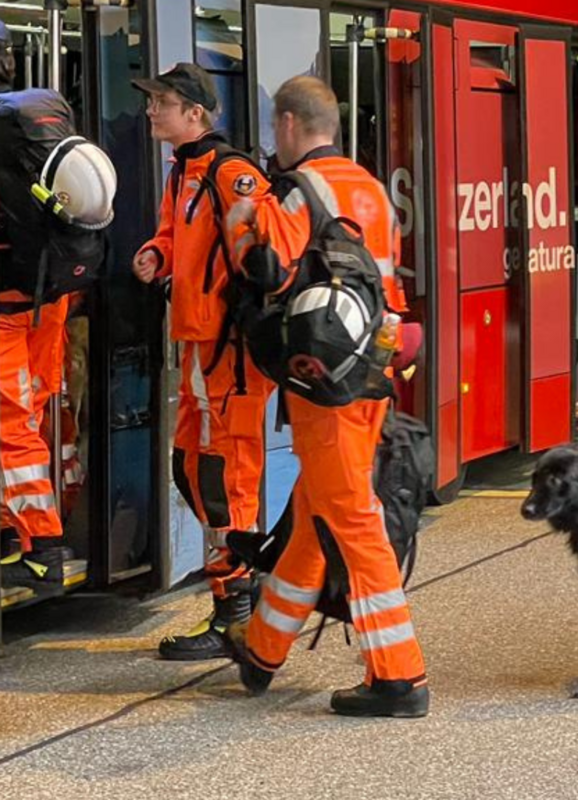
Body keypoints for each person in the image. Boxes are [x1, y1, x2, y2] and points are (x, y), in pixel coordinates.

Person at [226, 76, 428, 718]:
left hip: (324, 379)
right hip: (373, 369)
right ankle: (262, 648)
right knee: (319, 508)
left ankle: (399, 677)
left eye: (274, 128)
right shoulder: (369, 187)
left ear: (289, 124)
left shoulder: (295, 193)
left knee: (351, 517)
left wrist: (244, 218)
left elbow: (267, 271)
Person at [132, 63, 275, 661]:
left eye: (161, 102)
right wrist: (156, 256)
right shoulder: (182, 174)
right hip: (198, 349)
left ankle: (238, 617)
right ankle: (242, 594)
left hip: (230, 358)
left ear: (195, 114)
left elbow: (265, 258)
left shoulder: (231, 174)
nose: (150, 111)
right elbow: (177, 238)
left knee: (226, 483)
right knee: (190, 470)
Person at [0, 14, 74, 592]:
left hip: (5, 296)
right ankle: (10, 528)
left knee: (9, 422)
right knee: (34, 410)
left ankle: (41, 546)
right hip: (53, 290)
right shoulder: (47, 111)